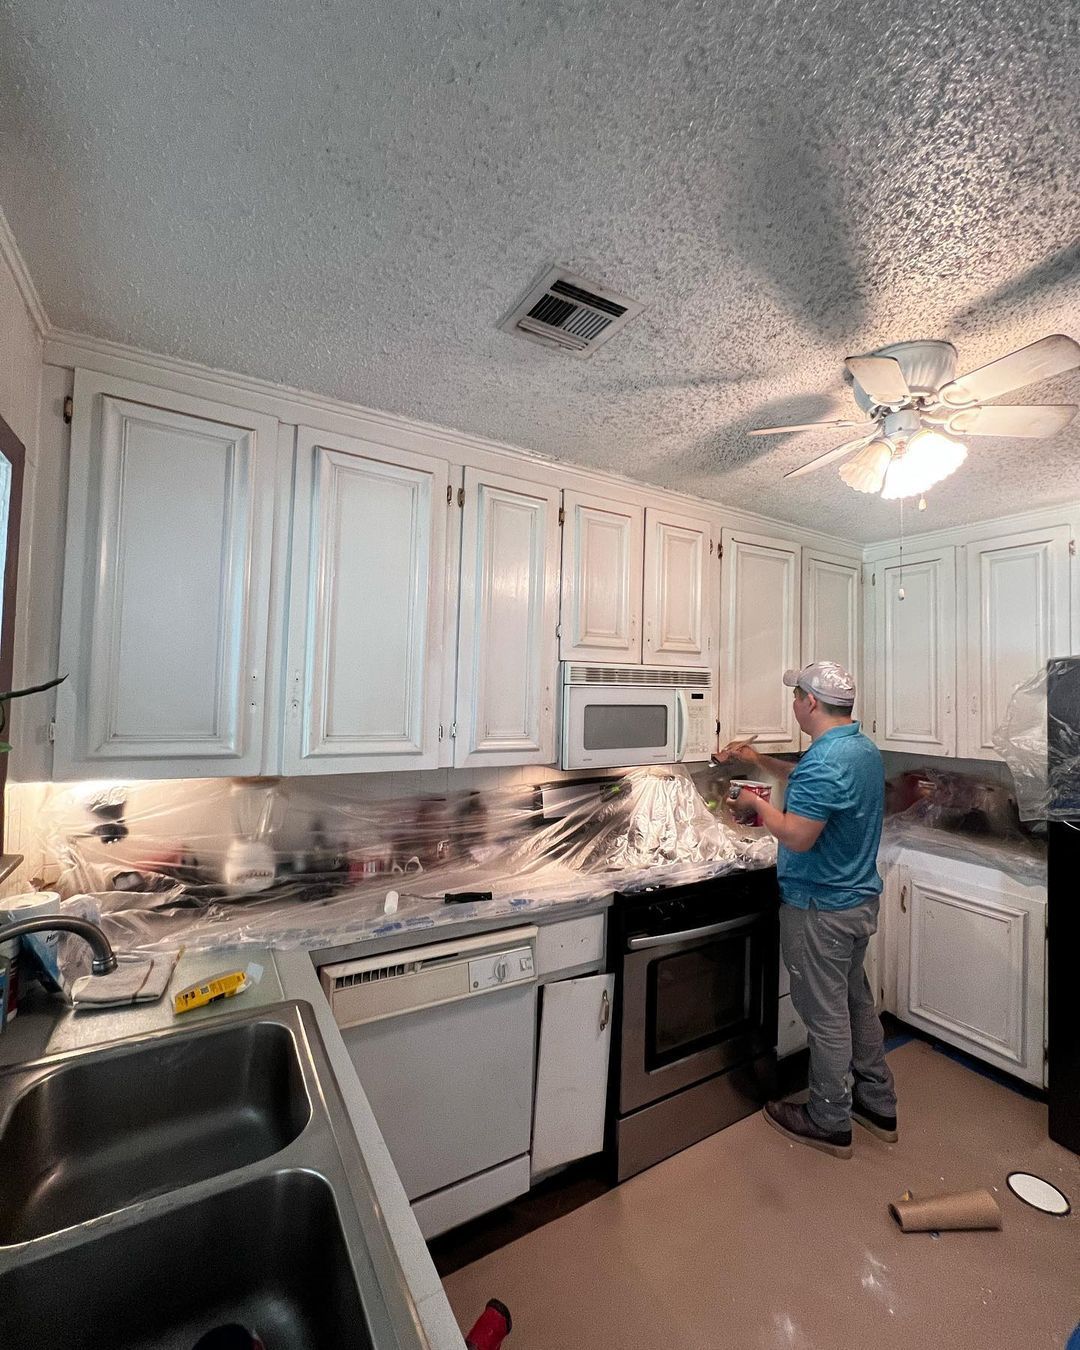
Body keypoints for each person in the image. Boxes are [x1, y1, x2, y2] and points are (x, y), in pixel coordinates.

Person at [718, 660, 897, 1159]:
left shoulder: (827, 761)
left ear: (810, 703)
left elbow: (799, 833)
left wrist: (757, 808)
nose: (793, 704)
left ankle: (829, 1118)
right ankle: (877, 1102)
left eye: (796, 696)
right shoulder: (859, 749)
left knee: (825, 1017)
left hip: (820, 908)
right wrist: (760, 761)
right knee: (856, 1003)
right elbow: (808, 778)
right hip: (857, 903)